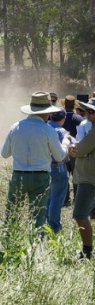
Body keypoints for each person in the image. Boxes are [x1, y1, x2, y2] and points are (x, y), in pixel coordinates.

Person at [1, 91, 71, 231]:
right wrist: (66, 142)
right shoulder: (48, 131)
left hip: (18, 175)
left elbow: (4, 154)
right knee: (38, 218)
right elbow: (60, 156)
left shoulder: (15, 127)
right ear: (47, 113)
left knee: (12, 214)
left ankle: (8, 242)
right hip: (40, 176)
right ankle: (37, 246)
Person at [69, 98, 95, 259]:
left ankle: (87, 252)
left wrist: (74, 147)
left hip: (89, 179)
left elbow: (78, 151)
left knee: (80, 215)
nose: (88, 114)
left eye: (92, 111)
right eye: (88, 111)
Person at [46, 108, 71, 233]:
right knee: (57, 199)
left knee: (47, 198)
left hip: (44, 167)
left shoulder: (44, 128)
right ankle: (54, 227)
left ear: (50, 117)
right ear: (64, 119)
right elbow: (66, 153)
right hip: (59, 166)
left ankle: (44, 225)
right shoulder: (63, 132)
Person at [62, 95, 84, 206]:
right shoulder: (79, 119)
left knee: (65, 175)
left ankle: (66, 199)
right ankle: (76, 198)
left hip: (64, 150)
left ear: (64, 105)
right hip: (76, 151)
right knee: (76, 176)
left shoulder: (61, 117)